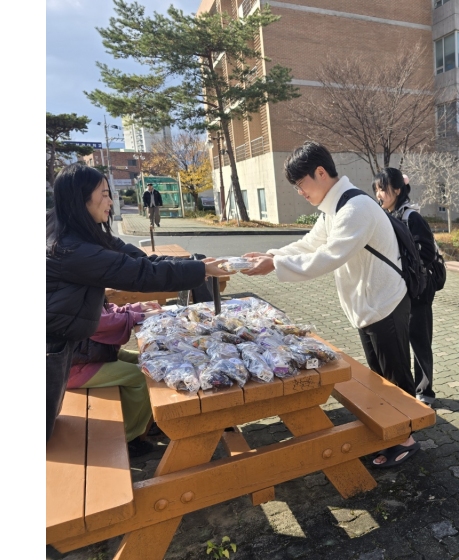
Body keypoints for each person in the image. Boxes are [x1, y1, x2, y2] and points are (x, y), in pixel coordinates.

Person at [242, 142, 419, 468]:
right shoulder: (334, 208)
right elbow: (312, 243)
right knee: (379, 377)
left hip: (386, 304)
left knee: (394, 376)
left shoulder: (356, 208)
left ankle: (405, 437)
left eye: (301, 184)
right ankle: (390, 431)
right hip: (369, 306)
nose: (300, 192)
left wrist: (275, 266)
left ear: (320, 173)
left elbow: (329, 256)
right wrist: (273, 255)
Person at [47, 163, 231, 442]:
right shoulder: (71, 249)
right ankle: (129, 441)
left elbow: (135, 260)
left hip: (68, 346)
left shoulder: (72, 227)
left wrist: (194, 264)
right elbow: (141, 275)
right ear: (81, 198)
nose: (110, 201)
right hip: (52, 351)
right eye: (105, 194)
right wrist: (200, 271)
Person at [373, 169, 437, 406]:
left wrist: (405, 263)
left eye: (383, 188)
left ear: (397, 190)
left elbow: (427, 253)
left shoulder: (412, 217)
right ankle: (407, 387)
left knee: (420, 340)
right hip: (395, 290)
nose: (379, 194)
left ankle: (425, 391)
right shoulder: (382, 215)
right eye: (377, 189)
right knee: (401, 341)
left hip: (416, 290)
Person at [69, 301, 164, 457]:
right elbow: (100, 323)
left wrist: (138, 307)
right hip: (77, 366)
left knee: (148, 360)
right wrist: (139, 315)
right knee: (142, 377)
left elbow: (106, 312)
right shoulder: (73, 290)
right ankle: (130, 438)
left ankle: (150, 418)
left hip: (90, 353)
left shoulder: (79, 285)